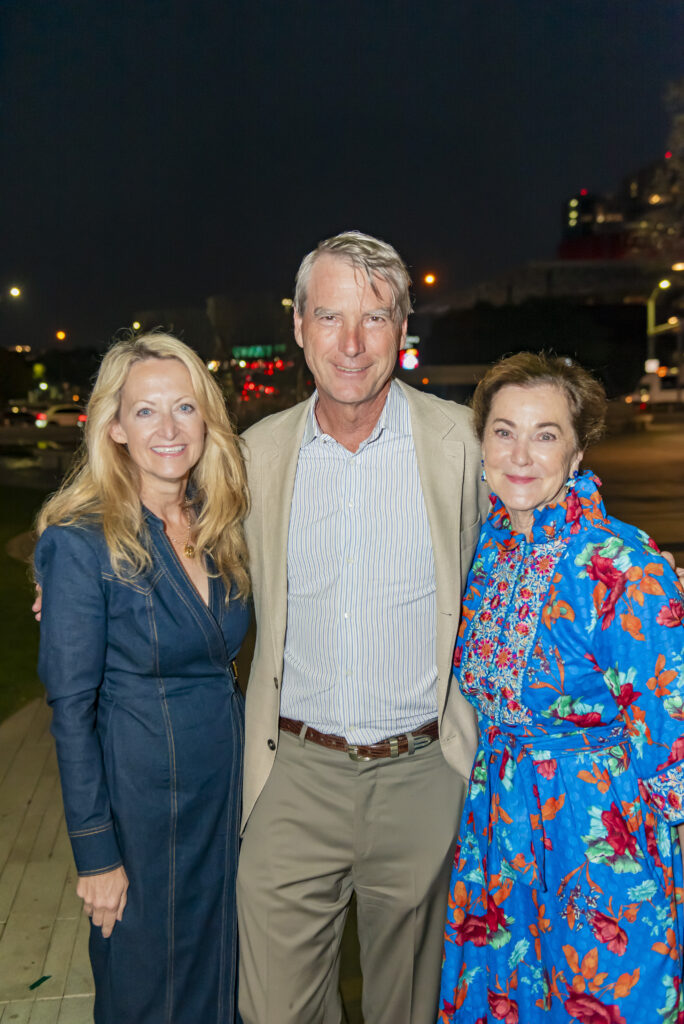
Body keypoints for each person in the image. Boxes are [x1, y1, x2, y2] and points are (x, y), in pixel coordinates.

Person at [236, 230, 490, 1024]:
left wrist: (644, 581)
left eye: (374, 318)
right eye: (330, 317)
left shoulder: (463, 446)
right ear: (302, 328)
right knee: (275, 1008)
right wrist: (71, 576)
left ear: (402, 329)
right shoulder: (256, 455)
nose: (351, 344)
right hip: (292, 778)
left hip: (420, 775)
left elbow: (543, 544)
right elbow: (166, 533)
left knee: (407, 1008)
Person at [438, 352, 684, 1023]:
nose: (521, 454)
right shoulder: (488, 547)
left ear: (577, 453)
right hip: (503, 828)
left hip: (598, 834)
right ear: (482, 440)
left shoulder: (620, 564)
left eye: (546, 434)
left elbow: (672, 739)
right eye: (503, 431)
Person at [34, 333, 250, 1024]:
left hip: (226, 802)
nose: (168, 428)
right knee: (145, 993)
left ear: (207, 420)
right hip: (140, 812)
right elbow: (70, 709)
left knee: (221, 984)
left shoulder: (223, 526)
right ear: (115, 426)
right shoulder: (79, 542)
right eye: (147, 411)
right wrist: (96, 854)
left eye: (184, 407)